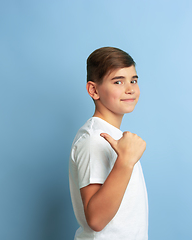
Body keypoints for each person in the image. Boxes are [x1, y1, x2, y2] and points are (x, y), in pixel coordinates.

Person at [69, 47, 148, 240]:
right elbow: (95, 220)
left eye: (133, 80)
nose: (130, 88)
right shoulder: (94, 139)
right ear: (93, 90)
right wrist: (125, 162)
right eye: (118, 81)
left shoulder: (113, 135)